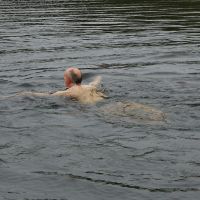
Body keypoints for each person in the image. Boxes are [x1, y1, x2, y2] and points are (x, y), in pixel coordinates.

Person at [21, 67, 107, 104]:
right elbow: (97, 81)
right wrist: (99, 76)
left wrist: (26, 93)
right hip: (102, 102)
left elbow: (46, 95)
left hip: (91, 110)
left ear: (67, 80)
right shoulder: (90, 86)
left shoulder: (68, 92)